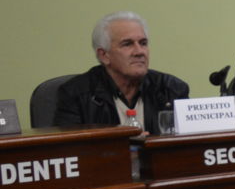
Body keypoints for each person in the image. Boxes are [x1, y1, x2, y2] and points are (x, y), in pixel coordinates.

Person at [54, 12, 189, 134]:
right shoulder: (75, 94)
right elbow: (70, 152)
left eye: (143, 43)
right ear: (104, 55)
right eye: (127, 44)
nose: (139, 52)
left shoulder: (171, 89)